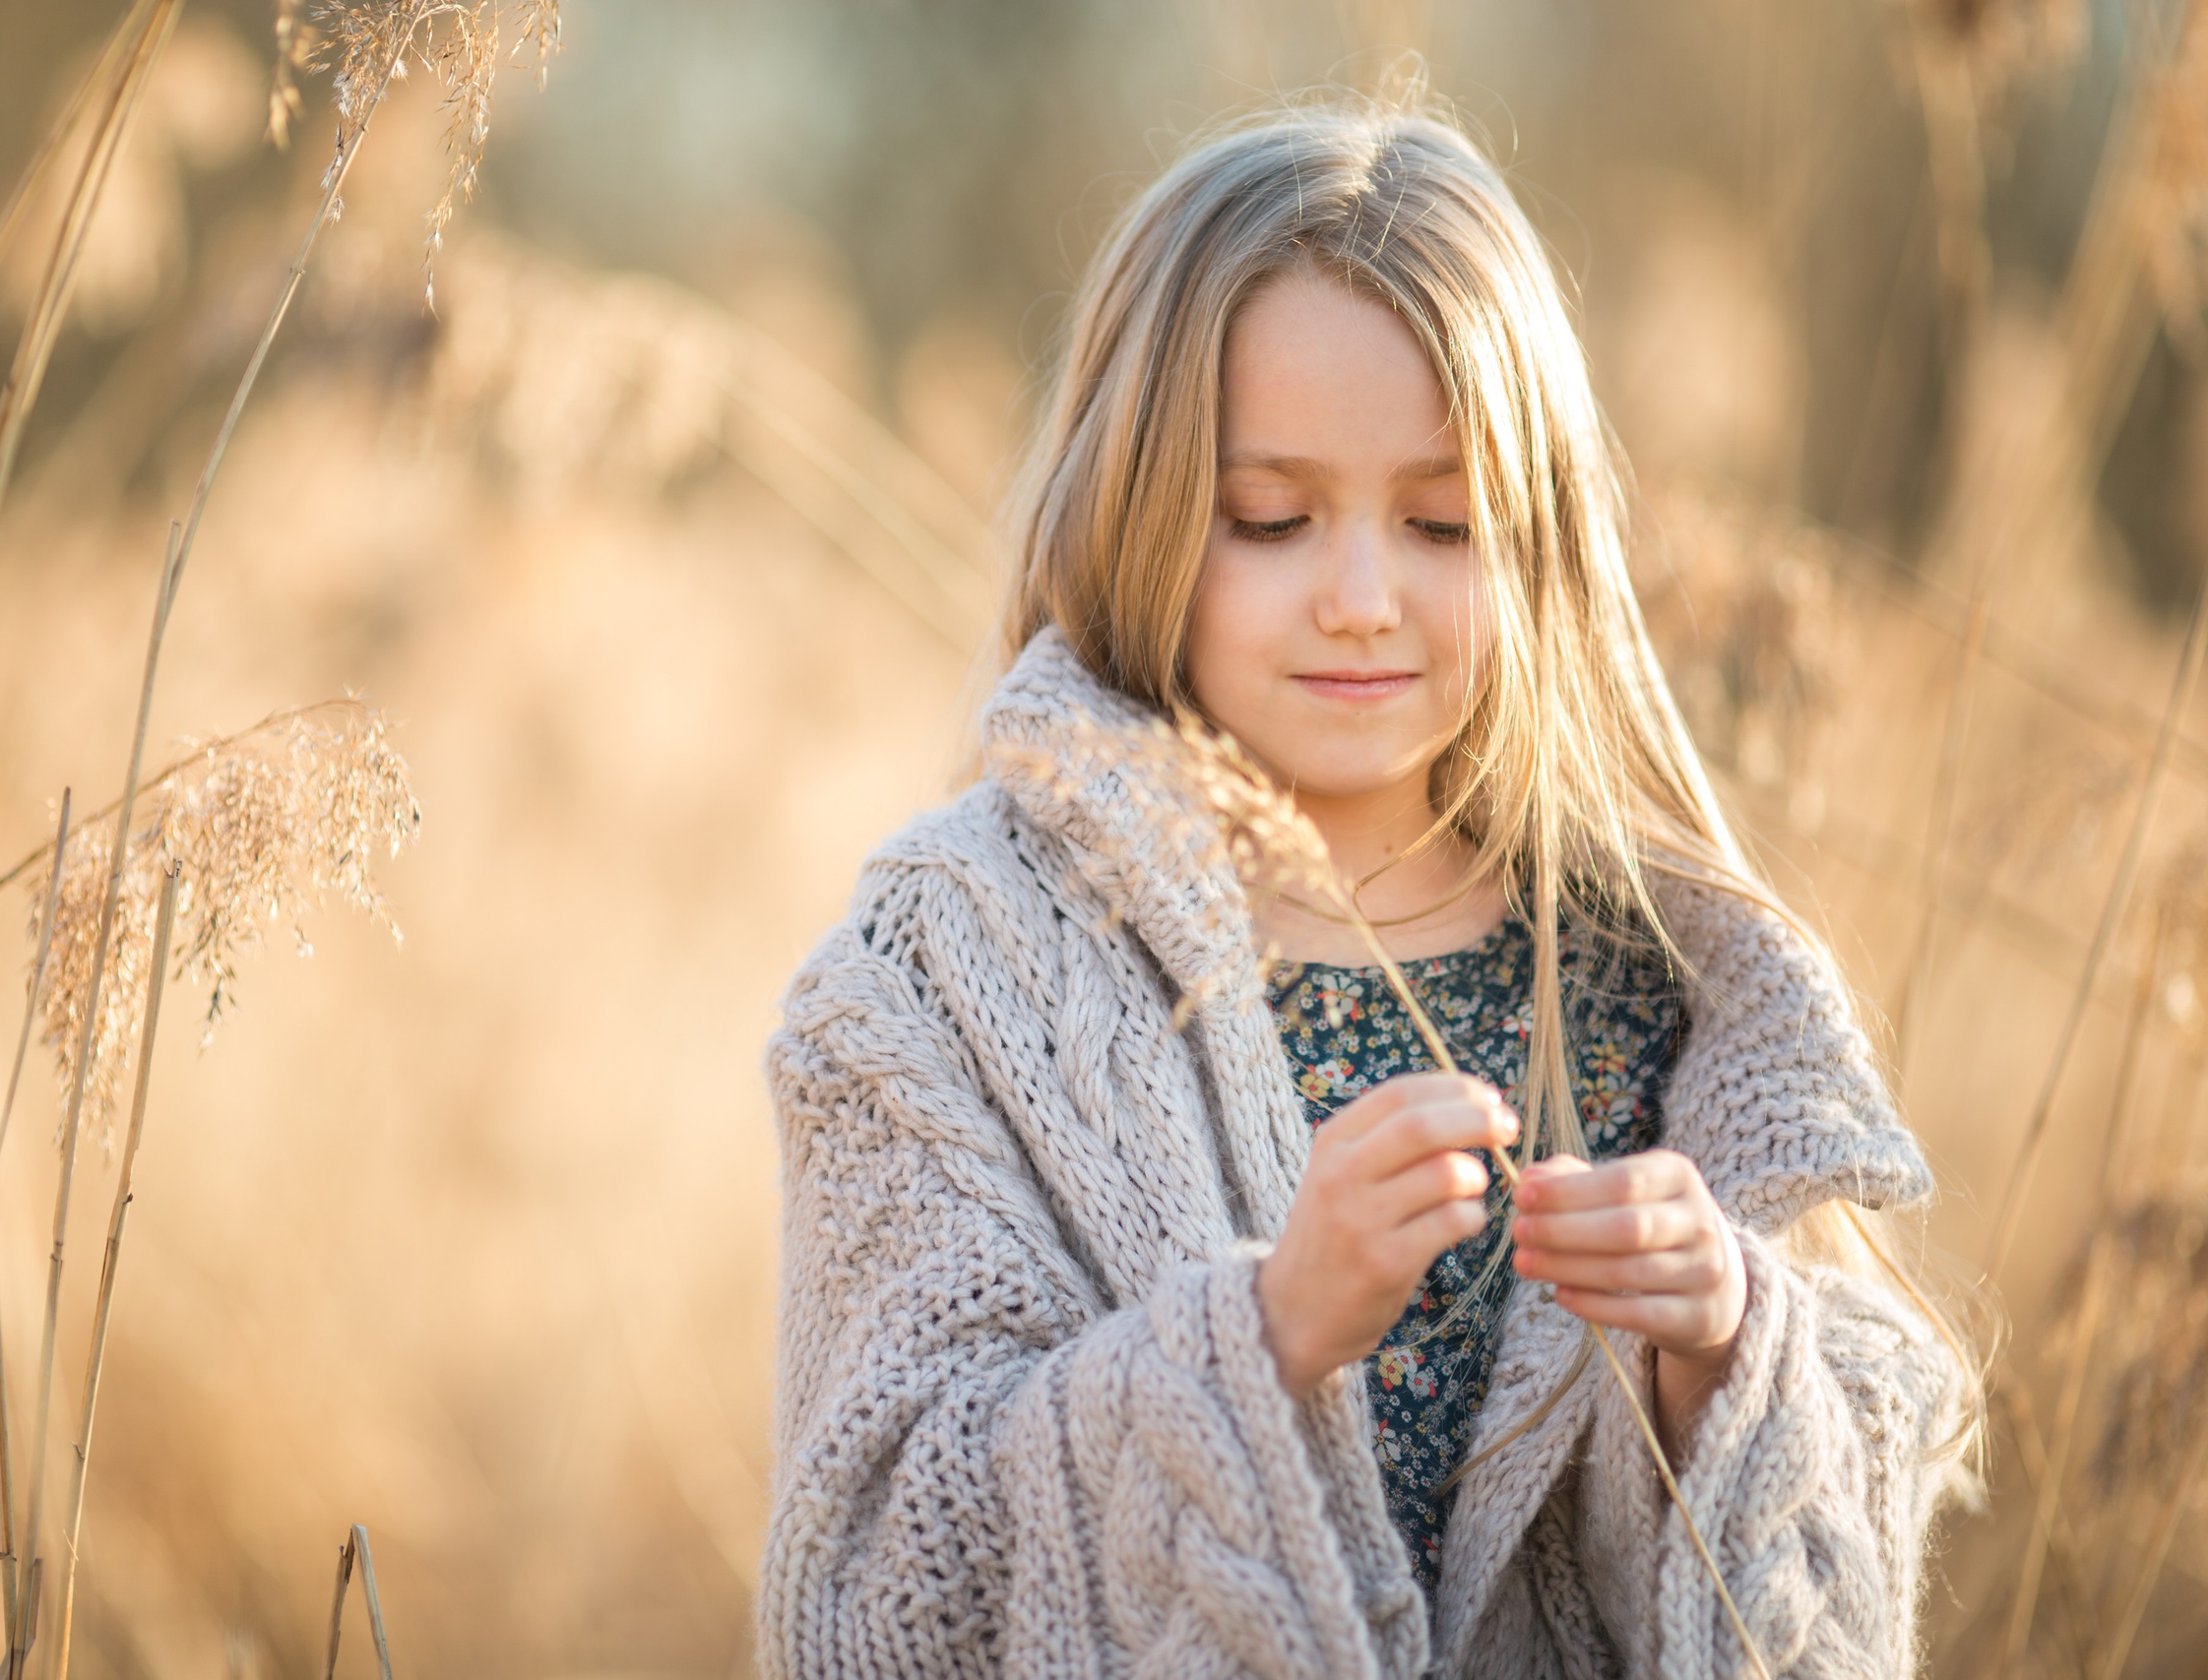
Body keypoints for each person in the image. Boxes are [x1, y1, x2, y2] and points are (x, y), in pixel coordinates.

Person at [757, 97, 1974, 1678]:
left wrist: (1727, 1353)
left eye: (1441, 523)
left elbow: (1843, 1587)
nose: (1358, 597)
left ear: (1539, 544)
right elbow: (870, 1593)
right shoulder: (947, 971)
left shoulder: (1658, 981)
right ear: (1135, 511)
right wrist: (1262, 1339)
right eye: (1271, 520)